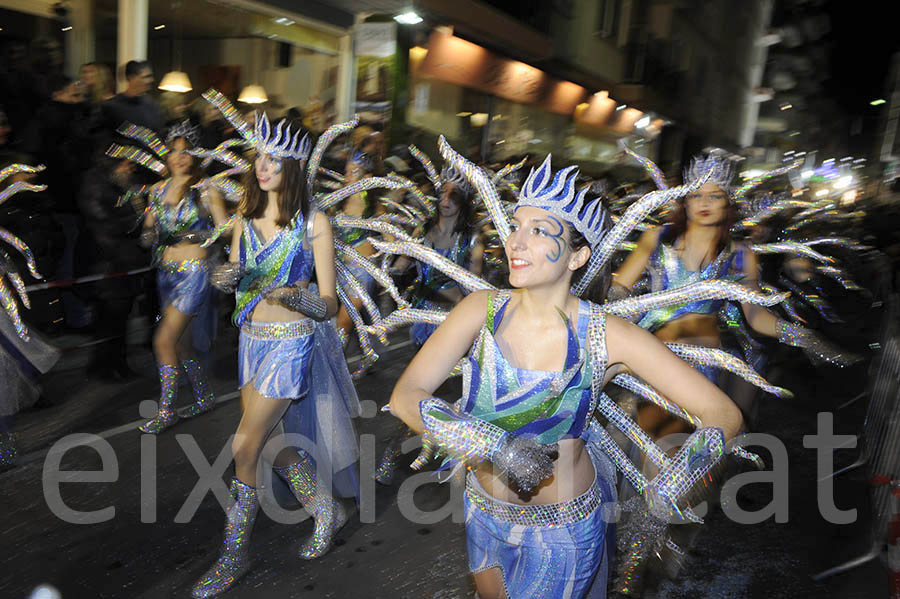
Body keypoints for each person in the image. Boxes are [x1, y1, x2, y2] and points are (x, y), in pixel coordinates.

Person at [387, 153, 746, 599]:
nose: (515, 241)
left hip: (562, 534)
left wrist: (669, 488)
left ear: (578, 255)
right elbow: (406, 396)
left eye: (538, 231)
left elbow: (723, 413)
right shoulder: (478, 310)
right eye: (516, 226)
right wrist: (492, 445)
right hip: (481, 512)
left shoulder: (609, 334)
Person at [192, 111, 359, 598]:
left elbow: (328, 303)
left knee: (244, 445)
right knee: (266, 442)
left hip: (292, 343)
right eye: (259, 156)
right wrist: (227, 278)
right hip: (251, 340)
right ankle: (326, 509)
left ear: (293, 167)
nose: (262, 166)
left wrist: (297, 297)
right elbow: (242, 275)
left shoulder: (315, 223)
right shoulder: (244, 217)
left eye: (274, 158)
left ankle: (233, 555)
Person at [612, 154, 852, 436]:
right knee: (657, 444)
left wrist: (803, 336)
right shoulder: (657, 239)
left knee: (692, 449)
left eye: (714, 196)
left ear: (727, 202)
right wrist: (611, 299)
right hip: (656, 358)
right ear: (685, 201)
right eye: (696, 195)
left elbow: (756, 315)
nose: (704, 203)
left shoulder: (739, 255)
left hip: (705, 364)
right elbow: (620, 287)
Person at [137, 121, 228, 433]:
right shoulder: (156, 189)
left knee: (162, 339)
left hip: (193, 274)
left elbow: (225, 229)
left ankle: (167, 410)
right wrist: (148, 234)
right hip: (165, 274)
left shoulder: (206, 189)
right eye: (174, 151)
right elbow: (148, 227)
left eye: (185, 151)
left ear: (194, 156)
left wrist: (199, 234)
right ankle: (204, 395)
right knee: (181, 345)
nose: (179, 157)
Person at [78, 154, 149, 379]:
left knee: (119, 317)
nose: (132, 166)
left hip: (123, 261)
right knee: (110, 319)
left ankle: (115, 364)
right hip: (107, 264)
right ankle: (107, 367)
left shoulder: (122, 184)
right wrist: (136, 222)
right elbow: (105, 223)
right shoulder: (98, 184)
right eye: (127, 161)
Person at [101, 60, 164, 136]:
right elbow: (105, 139)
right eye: (146, 77)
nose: (151, 80)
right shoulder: (111, 107)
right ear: (131, 78)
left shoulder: (152, 106)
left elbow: (158, 136)